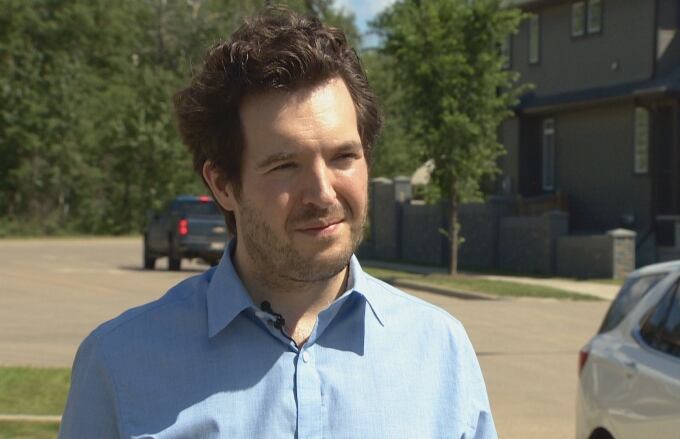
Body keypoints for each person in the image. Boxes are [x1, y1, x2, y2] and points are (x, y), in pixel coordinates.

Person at [59, 7, 496, 438]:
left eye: (344, 156)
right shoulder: (120, 365)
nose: (323, 193)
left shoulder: (440, 352)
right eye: (285, 165)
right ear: (223, 184)